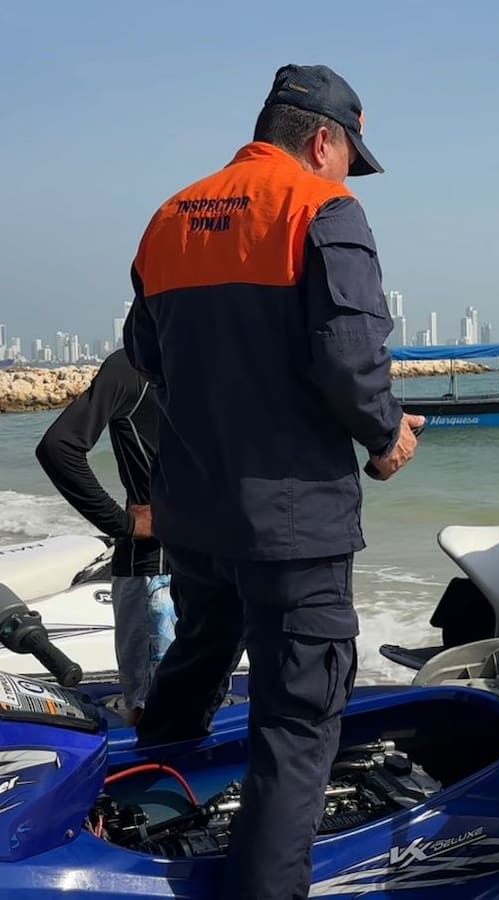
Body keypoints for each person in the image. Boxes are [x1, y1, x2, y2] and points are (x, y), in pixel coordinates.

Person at [122, 64, 424, 900]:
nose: (346, 175)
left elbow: (146, 356)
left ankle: (140, 839)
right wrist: (389, 435)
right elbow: (350, 361)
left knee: (192, 673)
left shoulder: (168, 218)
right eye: (346, 157)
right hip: (294, 527)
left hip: (196, 514)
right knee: (294, 732)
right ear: (321, 139)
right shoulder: (321, 210)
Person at [34, 347, 175, 724]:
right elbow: (59, 447)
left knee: (195, 704)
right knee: (153, 711)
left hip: (210, 570)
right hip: (153, 574)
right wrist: (123, 523)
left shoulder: (204, 358)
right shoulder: (134, 364)